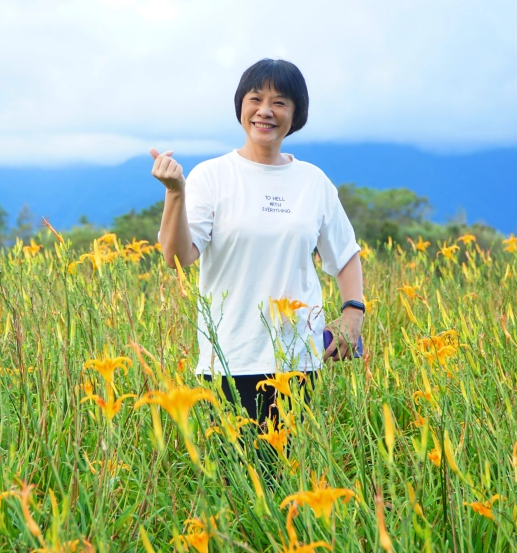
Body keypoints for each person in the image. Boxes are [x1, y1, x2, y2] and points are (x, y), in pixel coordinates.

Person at [149, 58, 364, 425]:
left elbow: (345, 255)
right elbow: (176, 257)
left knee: (293, 477)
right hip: (228, 360)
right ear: (241, 106)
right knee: (235, 479)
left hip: (297, 362)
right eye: (255, 99)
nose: (265, 111)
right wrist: (175, 194)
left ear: (296, 114)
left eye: (280, 102)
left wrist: (352, 313)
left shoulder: (313, 182)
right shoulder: (211, 176)